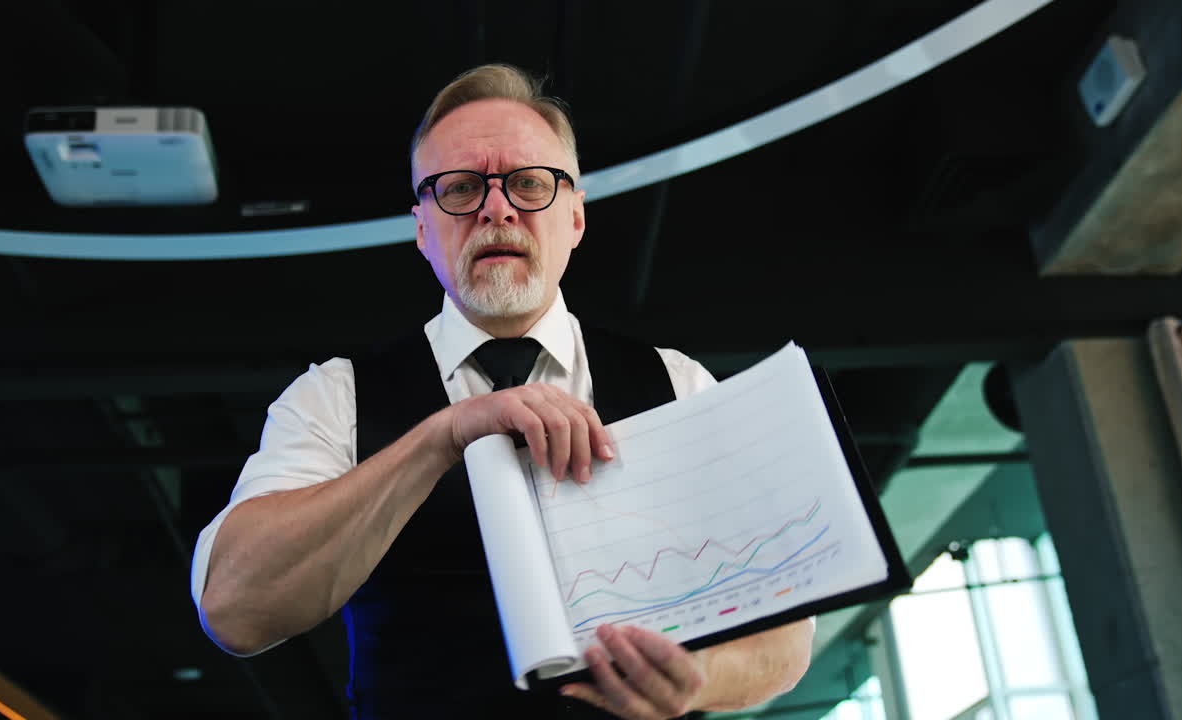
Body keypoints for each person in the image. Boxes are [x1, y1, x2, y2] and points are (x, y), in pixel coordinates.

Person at [191, 64, 813, 719]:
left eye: (528, 183)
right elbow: (236, 610)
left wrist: (703, 676)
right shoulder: (333, 398)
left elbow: (787, 638)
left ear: (575, 215)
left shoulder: (679, 386)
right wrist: (444, 434)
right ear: (422, 227)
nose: (496, 207)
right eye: (459, 187)